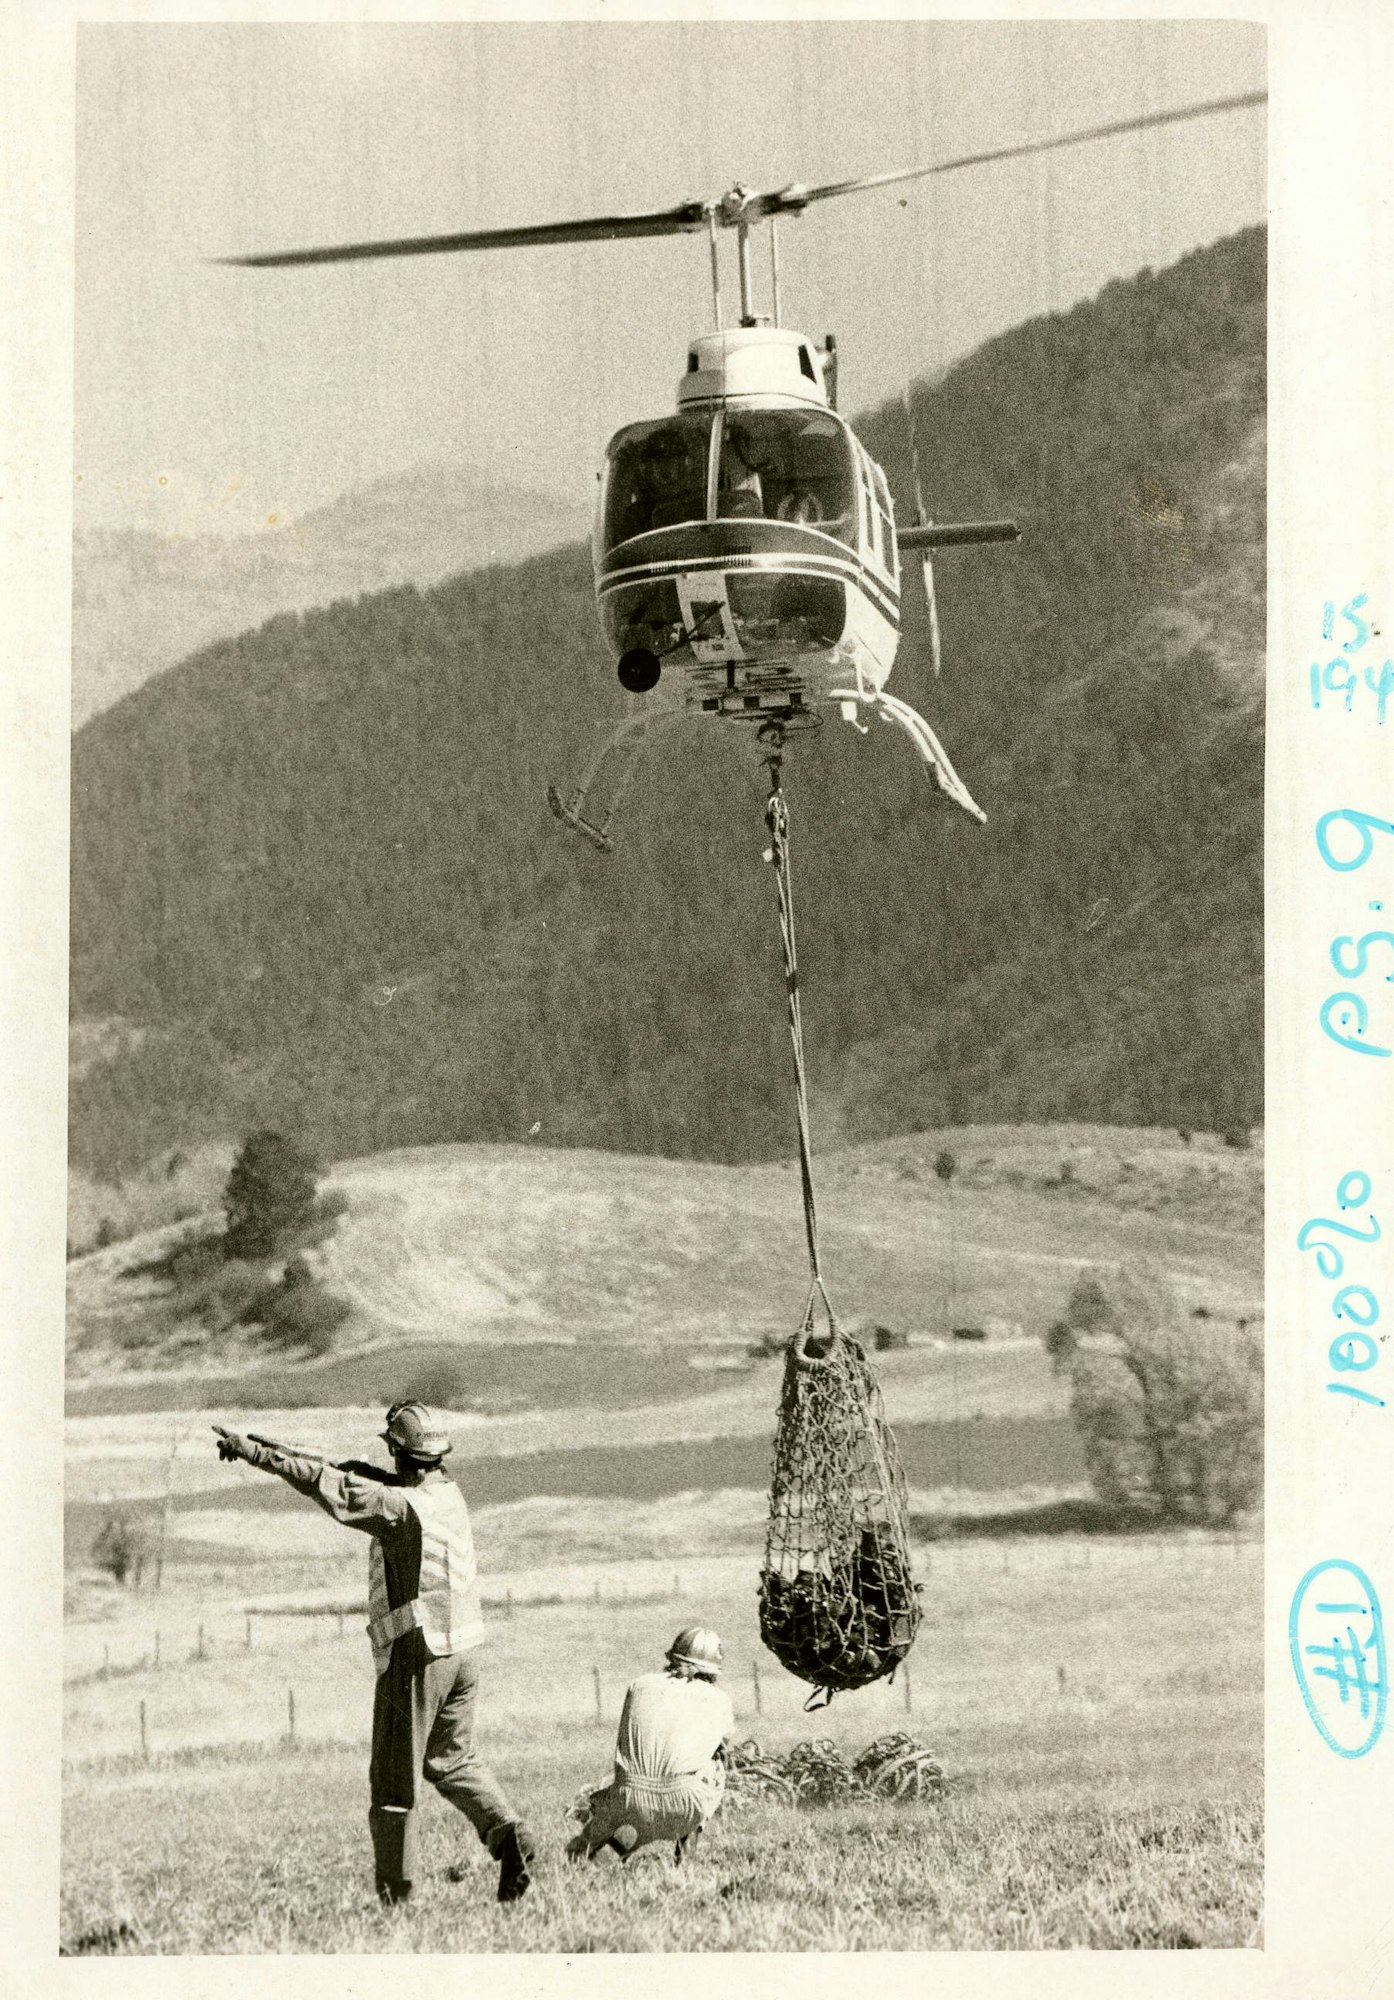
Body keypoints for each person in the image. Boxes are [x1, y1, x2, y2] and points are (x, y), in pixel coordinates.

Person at [212, 1400, 535, 1908]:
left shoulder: (397, 1508)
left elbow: (330, 1483)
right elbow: (349, 1472)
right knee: (452, 1759)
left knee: (392, 1782)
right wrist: (263, 1445)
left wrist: (254, 1455)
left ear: (400, 1454)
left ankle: (397, 1899)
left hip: (418, 1652)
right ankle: (508, 1834)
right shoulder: (447, 1495)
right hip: (465, 1650)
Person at [568, 1627, 735, 1865]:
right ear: (712, 1670)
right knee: (715, 1764)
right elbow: (723, 1744)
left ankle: (607, 1851)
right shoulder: (719, 1699)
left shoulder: (639, 1685)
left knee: (641, 1809)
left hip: (627, 1798)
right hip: (684, 1803)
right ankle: (685, 1858)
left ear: (674, 1657)